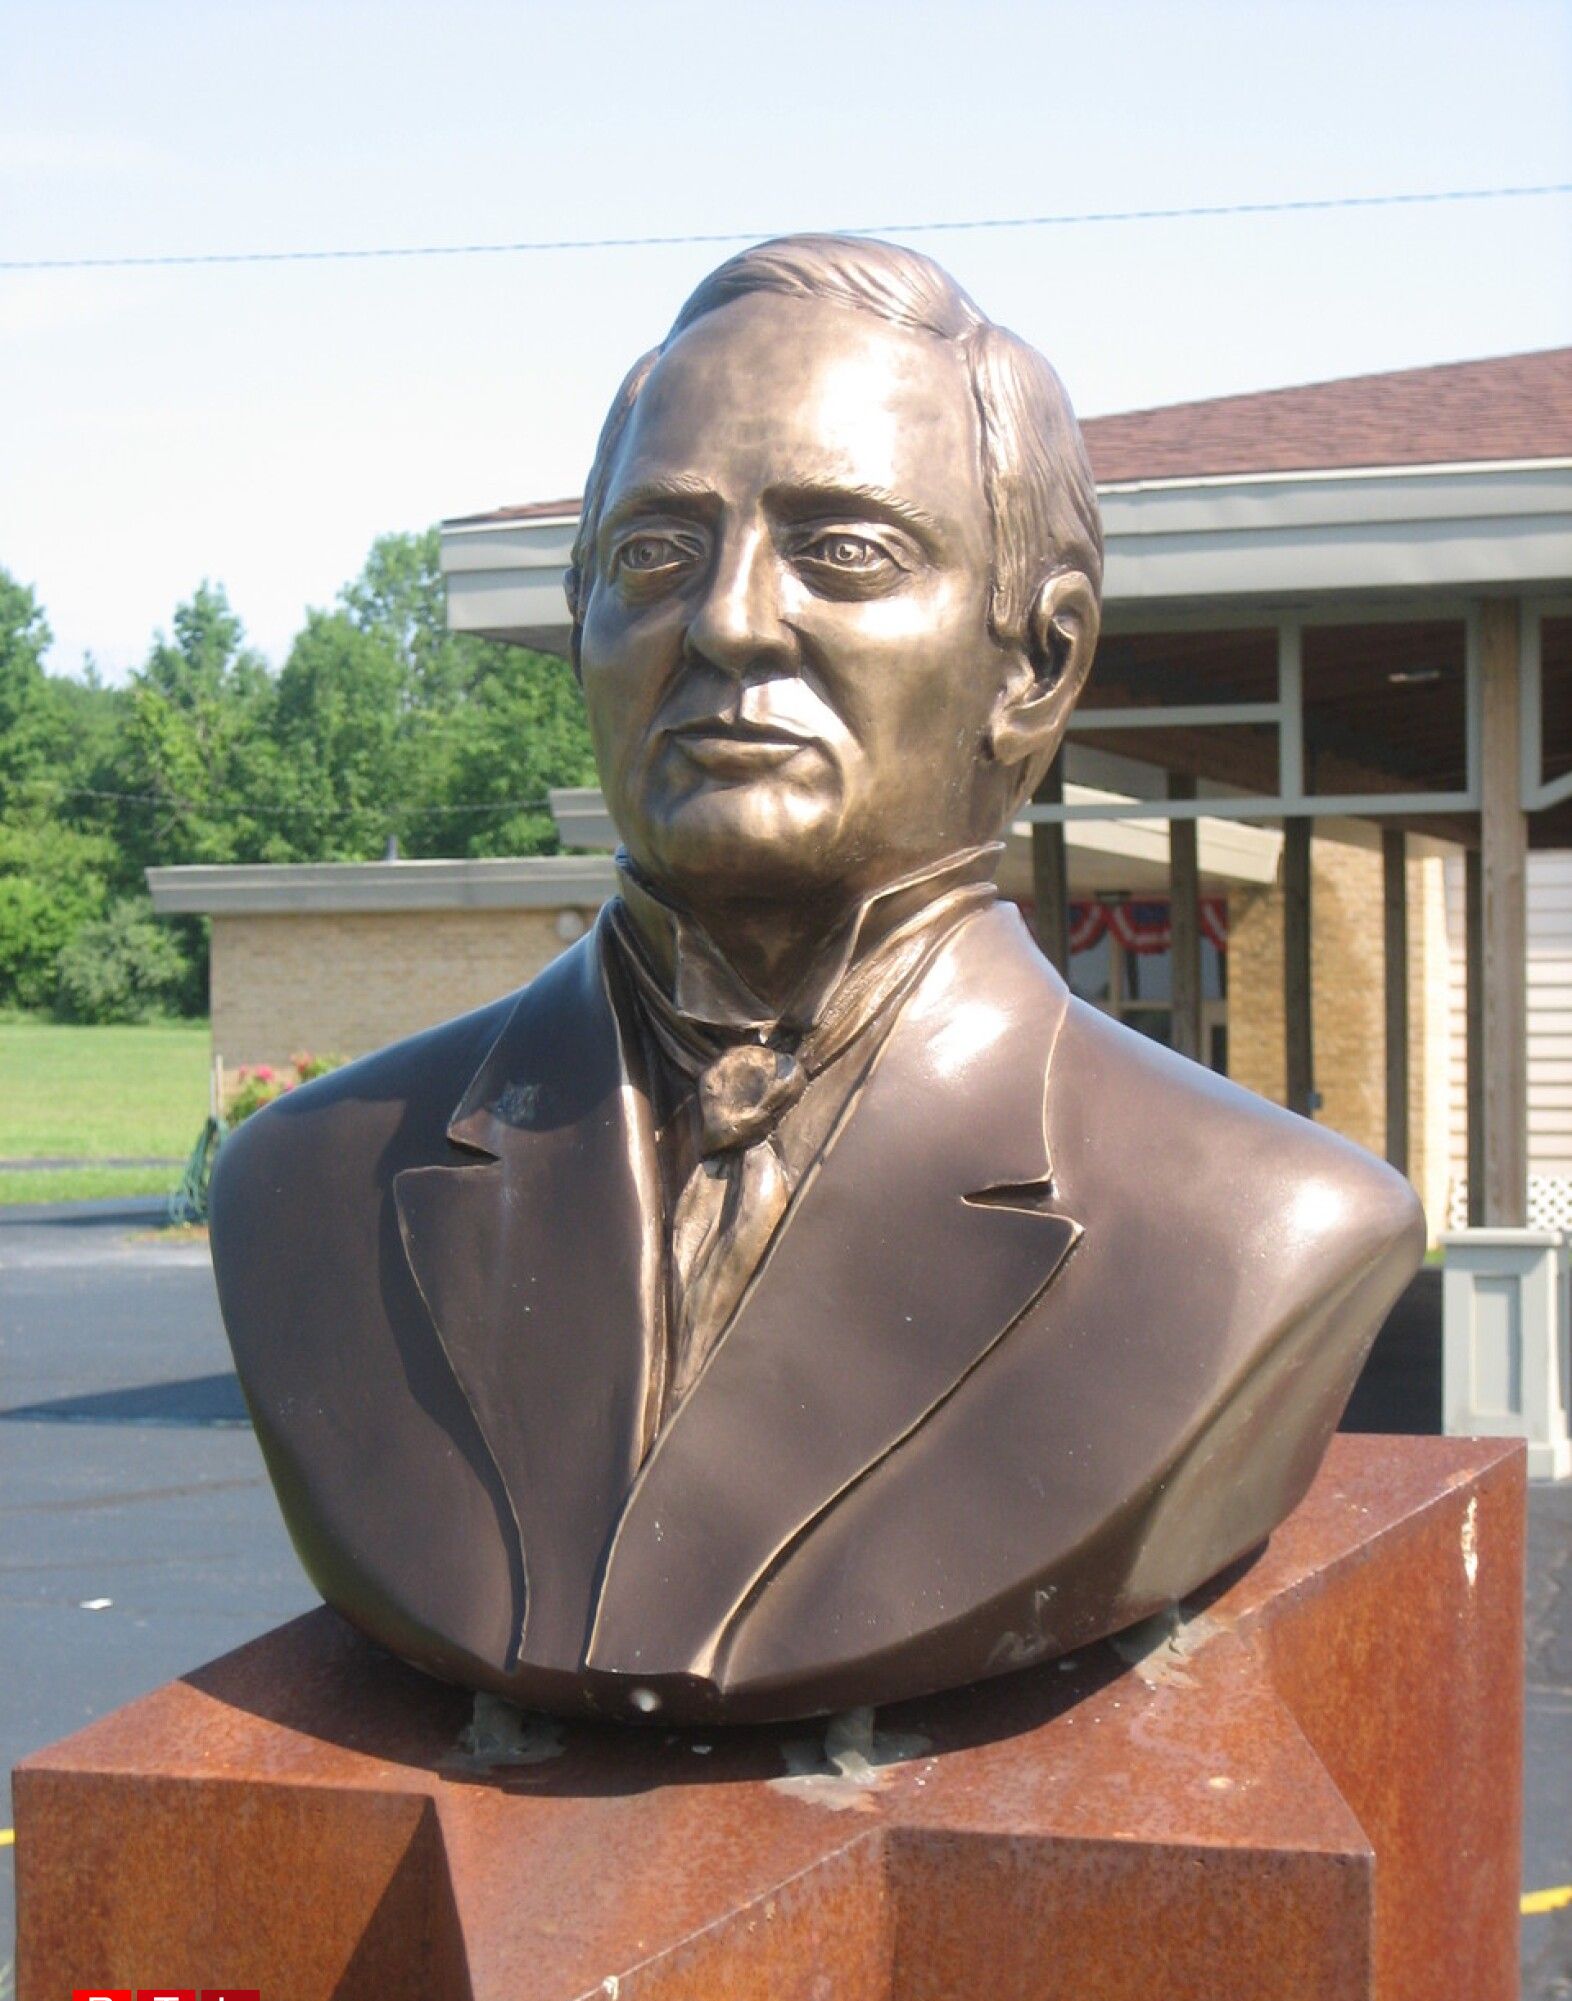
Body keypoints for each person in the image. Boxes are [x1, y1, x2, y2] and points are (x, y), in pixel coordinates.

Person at [211, 236, 1423, 1723]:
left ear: (1037, 664)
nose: (727, 620)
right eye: (655, 553)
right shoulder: (307, 1184)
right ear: (580, 614)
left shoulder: (1264, 1227)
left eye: (842, 551)